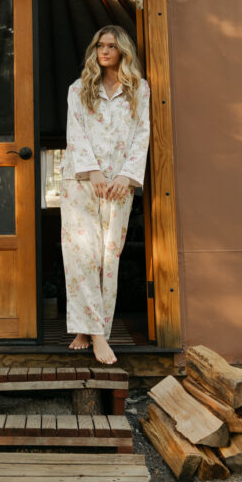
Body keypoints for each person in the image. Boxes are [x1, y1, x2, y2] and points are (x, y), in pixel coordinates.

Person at [60, 24, 150, 365]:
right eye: (100, 45)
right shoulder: (79, 88)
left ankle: (90, 328)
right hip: (81, 183)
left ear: (123, 51)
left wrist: (126, 177)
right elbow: (76, 133)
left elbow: (142, 134)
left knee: (107, 259)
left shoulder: (139, 90)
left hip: (118, 186)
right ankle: (96, 336)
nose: (104, 51)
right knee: (82, 256)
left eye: (111, 46)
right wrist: (93, 172)